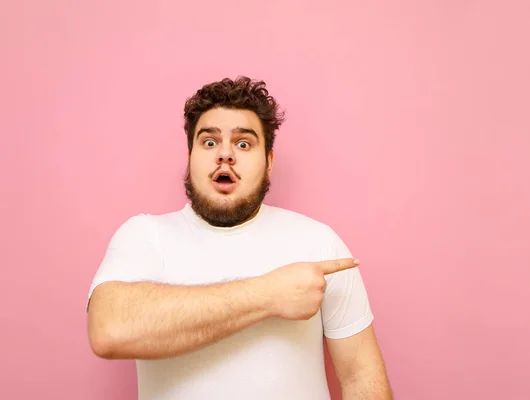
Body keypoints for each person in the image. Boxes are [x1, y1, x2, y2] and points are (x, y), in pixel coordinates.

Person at [86, 76, 392, 399]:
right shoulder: (145, 237)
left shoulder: (319, 244)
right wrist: (269, 294)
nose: (225, 155)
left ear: (269, 162)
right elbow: (108, 330)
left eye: (243, 143)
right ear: (190, 156)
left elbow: (362, 378)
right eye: (209, 142)